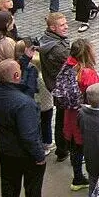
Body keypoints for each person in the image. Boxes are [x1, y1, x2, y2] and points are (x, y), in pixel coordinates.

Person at [0, 59, 53, 197]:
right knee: (33, 187)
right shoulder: (25, 104)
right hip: (25, 154)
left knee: (9, 184)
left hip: (6, 150)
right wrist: (39, 156)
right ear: (17, 76)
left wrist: (23, 60)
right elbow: (29, 136)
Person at [61, 38, 99, 190]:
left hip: (70, 113)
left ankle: (77, 177)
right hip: (85, 116)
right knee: (87, 148)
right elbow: (95, 95)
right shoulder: (87, 73)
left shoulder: (69, 65)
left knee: (75, 147)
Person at [38, 12, 70, 160]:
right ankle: (64, 149)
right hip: (63, 87)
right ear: (52, 27)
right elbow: (74, 64)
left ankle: (62, 149)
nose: (66, 27)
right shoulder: (58, 49)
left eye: (65, 23)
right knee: (65, 120)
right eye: (62, 25)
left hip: (55, 85)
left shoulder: (47, 40)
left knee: (61, 118)